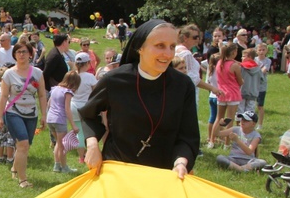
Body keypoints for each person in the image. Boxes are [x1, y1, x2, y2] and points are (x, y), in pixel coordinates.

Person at [79, 19, 200, 178]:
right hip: (118, 171)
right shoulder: (114, 80)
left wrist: (181, 162)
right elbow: (89, 114)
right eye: (160, 46)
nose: (169, 54)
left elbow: (188, 135)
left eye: (172, 46)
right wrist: (92, 145)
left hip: (164, 174)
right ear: (139, 48)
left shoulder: (183, 86)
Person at [0, 42, 48, 189]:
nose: (21, 55)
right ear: (14, 55)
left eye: (24, 52)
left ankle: (15, 167)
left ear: (30, 54)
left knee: (24, 145)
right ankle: (23, 179)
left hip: (31, 113)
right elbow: (4, 96)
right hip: (13, 112)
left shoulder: (37, 73)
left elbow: (42, 95)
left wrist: (44, 115)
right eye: (18, 52)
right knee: (23, 143)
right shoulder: (9, 74)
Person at [47, 71, 82, 174]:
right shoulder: (68, 92)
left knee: (58, 142)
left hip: (50, 119)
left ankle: (57, 165)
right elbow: (67, 109)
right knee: (62, 146)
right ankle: (64, 167)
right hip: (60, 119)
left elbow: (49, 104)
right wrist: (73, 125)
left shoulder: (55, 89)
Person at [210, 43, 242, 142]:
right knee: (230, 119)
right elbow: (240, 81)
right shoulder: (234, 65)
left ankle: (212, 140)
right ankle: (227, 143)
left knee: (218, 118)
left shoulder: (219, 63)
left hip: (221, 94)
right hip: (232, 94)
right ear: (233, 52)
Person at [254, 43, 271, 129]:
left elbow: (263, 71)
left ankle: (260, 124)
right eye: (259, 50)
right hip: (252, 86)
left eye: (263, 50)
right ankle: (251, 122)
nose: (261, 52)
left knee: (260, 105)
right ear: (256, 51)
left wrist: (255, 71)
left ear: (266, 51)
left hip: (261, 86)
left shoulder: (268, 61)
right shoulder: (254, 59)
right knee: (251, 104)